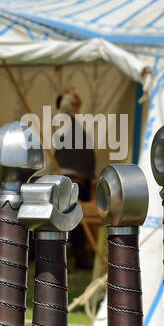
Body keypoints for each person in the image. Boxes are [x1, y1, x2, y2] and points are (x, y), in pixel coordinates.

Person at [52, 88, 96, 269]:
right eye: (73, 102)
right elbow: (64, 106)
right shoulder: (63, 122)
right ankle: (68, 260)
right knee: (72, 223)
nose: (77, 105)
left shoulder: (75, 126)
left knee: (79, 224)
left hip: (82, 181)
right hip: (69, 180)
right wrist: (68, 94)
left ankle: (81, 260)